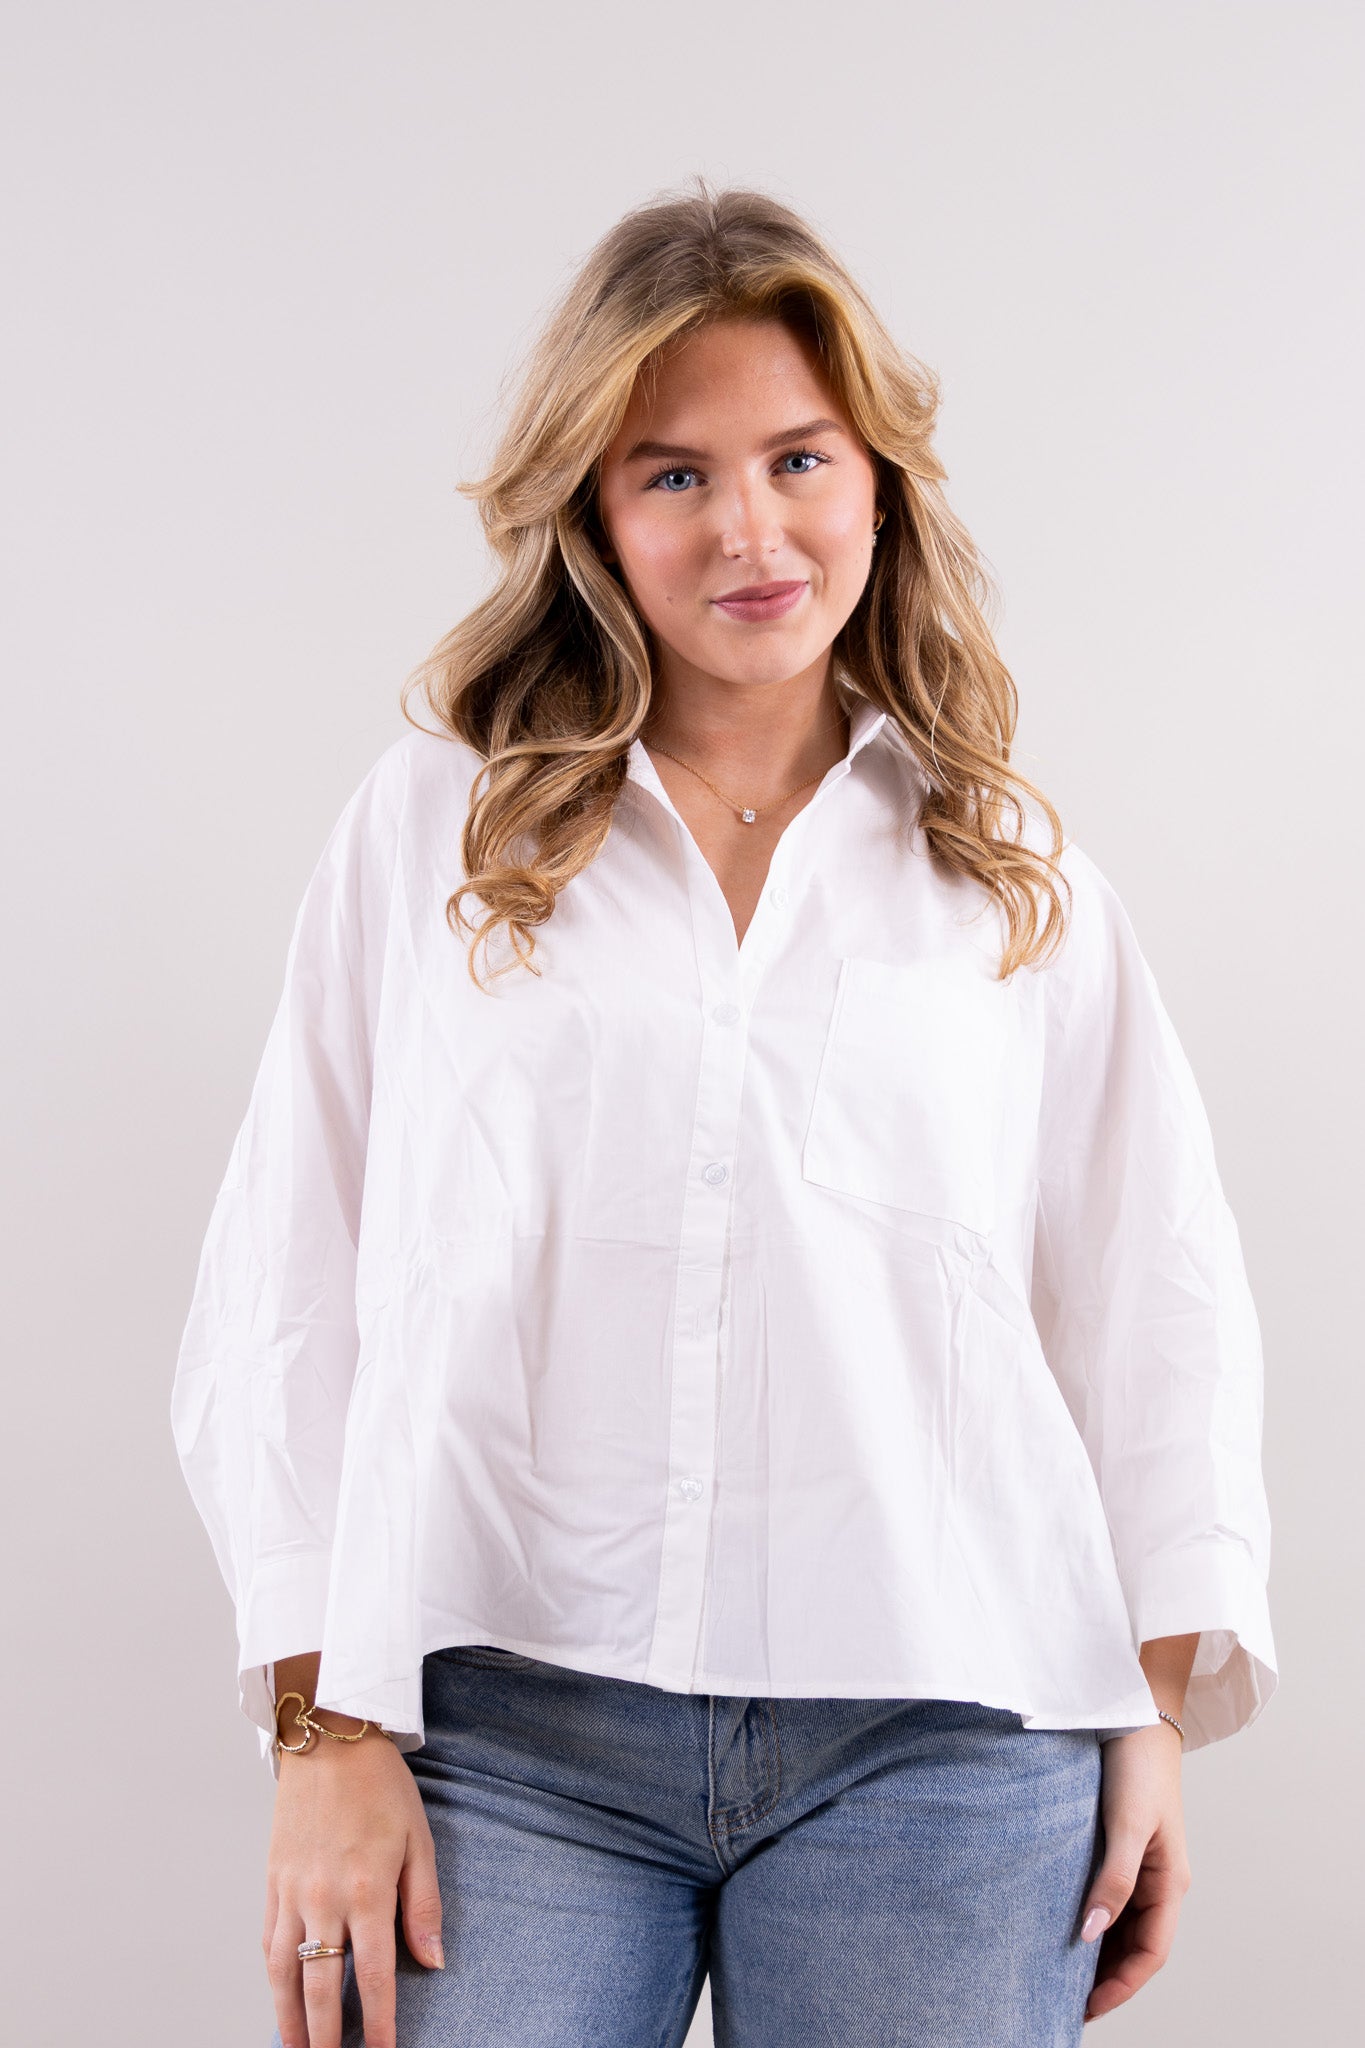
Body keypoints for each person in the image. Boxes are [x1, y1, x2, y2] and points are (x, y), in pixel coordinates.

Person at [170, 180, 1278, 2048]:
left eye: (797, 459)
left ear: (879, 484)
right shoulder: (438, 828)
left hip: (947, 1735)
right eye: (673, 474)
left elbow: (1154, 1293)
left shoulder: (1009, 870)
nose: (749, 531)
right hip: (502, 1734)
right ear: (595, 516)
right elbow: (291, 1269)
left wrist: (1150, 1713)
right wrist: (322, 1731)